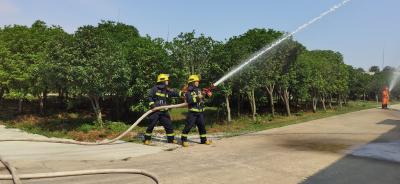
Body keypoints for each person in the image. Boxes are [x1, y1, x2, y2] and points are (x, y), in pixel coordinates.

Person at [144, 74, 182, 145]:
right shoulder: (154, 89)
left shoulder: (166, 89)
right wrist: (152, 104)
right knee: (151, 125)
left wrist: (181, 93)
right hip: (155, 111)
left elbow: (173, 92)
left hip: (164, 111)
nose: (168, 81)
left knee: (169, 126)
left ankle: (171, 140)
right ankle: (147, 139)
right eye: (166, 80)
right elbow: (149, 96)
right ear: (162, 81)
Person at [181, 75, 212, 147]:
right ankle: (183, 140)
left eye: (198, 81)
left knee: (202, 126)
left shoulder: (198, 90)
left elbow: (202, 98)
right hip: (192, 112)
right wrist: (198, 98)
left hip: (200, 112)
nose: (197, 82)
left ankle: (203, 140)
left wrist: (207, 95)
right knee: (188, 126)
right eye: (196, 81)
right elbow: (189, 100)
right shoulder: (188, 91)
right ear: (192, 82)